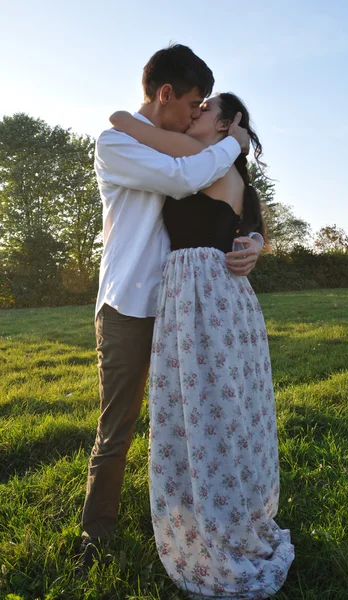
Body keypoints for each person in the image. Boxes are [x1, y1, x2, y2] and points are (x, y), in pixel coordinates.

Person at [78, 44, 263, 569]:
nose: (196, 113)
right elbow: (186, 181)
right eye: (194, 102)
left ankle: (191, 521)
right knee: (118, 427)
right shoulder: (117, 144)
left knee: (191, 421)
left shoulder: (181, 146)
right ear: (166, 95)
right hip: (128, 304)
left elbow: (227, 204)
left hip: (184, 308)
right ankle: (97, 535)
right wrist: (237, 143)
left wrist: (253, 242)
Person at [109, 93, 294, 599]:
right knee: (227, 406)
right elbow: (255, 231)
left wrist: (126, 117)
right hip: (224, 298)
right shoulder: (232, 175)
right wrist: (256, 242)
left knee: (205, 406)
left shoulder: (195, 157)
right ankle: (229, 499)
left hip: (199, 295)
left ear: (225, 124)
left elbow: (133, 127)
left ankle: (211, 511)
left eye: (205, 109)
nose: (195, 114)